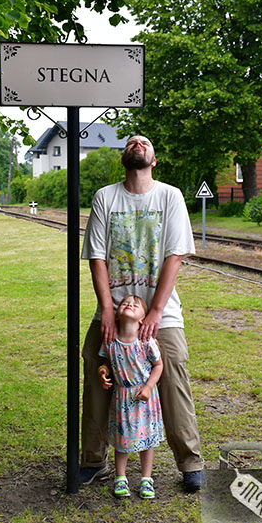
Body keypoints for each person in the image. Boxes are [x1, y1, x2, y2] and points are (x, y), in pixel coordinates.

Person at [80, 135, 203, 493]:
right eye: (131, 141)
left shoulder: (169, 196)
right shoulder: (106, 197)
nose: (137, 142)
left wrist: (157, 311)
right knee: (94, 363)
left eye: (143, 141)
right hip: (116, 311)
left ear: (153, 159)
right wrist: (107, 310)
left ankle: (190, 462)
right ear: (124, 158)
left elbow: (175, 256)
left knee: (173, 369)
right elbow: (97, 257)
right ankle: (93, 461)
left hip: (160, 312)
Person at [98, 294, 164, 498]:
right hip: (122, 397)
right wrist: (102, 372)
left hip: (144, 397)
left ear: (143, 319)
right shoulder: (111, 342)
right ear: (117, 315)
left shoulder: (146, 341)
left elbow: (158, 365)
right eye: (125, 303)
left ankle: (146, 479)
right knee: (122, 439)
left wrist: (149, 387)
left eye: (136, 305)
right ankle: (120, 477)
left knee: (147, 440)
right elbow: (107, 363)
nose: (130, 304)